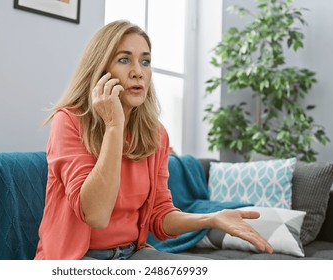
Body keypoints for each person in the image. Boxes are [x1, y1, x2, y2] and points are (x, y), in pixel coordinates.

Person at [34, 20, 273, 260]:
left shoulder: (155, 134)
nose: (138, 71)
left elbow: (160, 215)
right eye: (124, 59)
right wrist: (114, 126)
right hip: (74, 258)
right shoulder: (69, 121)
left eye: (145, 61)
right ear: (100, 70)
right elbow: (96, 215)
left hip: (132, 255)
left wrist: (211, 219)